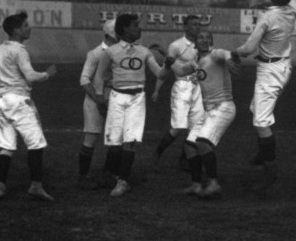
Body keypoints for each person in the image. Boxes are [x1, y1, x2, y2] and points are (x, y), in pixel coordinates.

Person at [234, 0, 296, 189]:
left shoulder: (267, 18)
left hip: (270, 72)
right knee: (256, 109)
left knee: (261, 122)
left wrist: (229, 54)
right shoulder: (293, 7)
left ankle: (270, 169)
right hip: (281, 67)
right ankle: (262, 153)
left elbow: (247, 49)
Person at [0, 11, 58, 201]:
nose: (29, 28)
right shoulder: (19, 50)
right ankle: (36, 186)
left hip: (1, 100)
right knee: (36, 144)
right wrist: (47, 74)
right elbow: (31, 76)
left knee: (6, 145)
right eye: (25, 26)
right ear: (16, 30)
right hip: (19, 101)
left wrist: (0, 76)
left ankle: (0, 185)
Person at [89, 13, 168, 198]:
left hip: (137, 99)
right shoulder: (110, 52)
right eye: (135, 25)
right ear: (125, 29)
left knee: (130, 141)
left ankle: (123, 182)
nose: (139, 29)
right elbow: (99, 76)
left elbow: (160, 74)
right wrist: (100, 99)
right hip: (117, 97)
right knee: (115, 142)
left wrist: (168, 64)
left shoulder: (144, 51)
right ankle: (112, 175)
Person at [171, 28, 240, 200]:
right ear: (195, 42)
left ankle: (213, 183)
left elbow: (224, 54)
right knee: (189, 145)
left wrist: (231, 59)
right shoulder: (196, 61)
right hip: (210, 111)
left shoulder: (215, 55)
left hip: (223, 108)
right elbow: (180, 71)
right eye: (200, 37)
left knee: (202, 142)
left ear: (211, 41)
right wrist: (169, 60)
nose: (203, 40)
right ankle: (196, 184)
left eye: (207, 38)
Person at [152, 15, 206, 169]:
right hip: (182, 87)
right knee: (177, 127)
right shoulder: (176, 46)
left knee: (195, 127)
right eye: (194, 24)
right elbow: (166, 69)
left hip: (199, 88)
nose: (198, 27)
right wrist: (156, 89)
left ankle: (184, 159)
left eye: (199, 24)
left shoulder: (203, 45)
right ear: (186, 27)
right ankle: (158, 152)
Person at [76, 19, 119, 188]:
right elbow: (84, 80)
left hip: (115, 99)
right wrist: (98, 99)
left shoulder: (121, 52)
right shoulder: (95, 53)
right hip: (95, 100)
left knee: (115, 138)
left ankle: (109, 172)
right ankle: (82, 177)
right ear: (111, 33)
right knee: (91, 137)